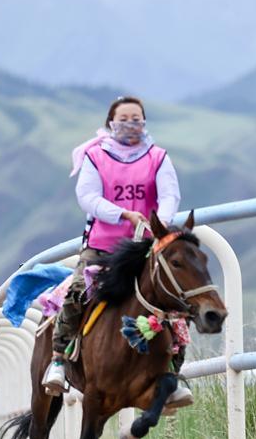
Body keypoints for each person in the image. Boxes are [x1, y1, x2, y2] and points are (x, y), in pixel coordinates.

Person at [42, 97, 192, 408]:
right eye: (124, 118)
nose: (130, 124)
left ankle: (173, 374)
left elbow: (169, 195)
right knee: (77, 290)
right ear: (112, 121)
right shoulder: (95, 156)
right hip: (103, 245)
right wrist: (123, 214)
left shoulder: (158, 157)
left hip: (146, 245)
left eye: (136, 118)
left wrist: (158, 224)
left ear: (145, 122)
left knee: (176, 298)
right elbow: (87, 196)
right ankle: (59, 357)